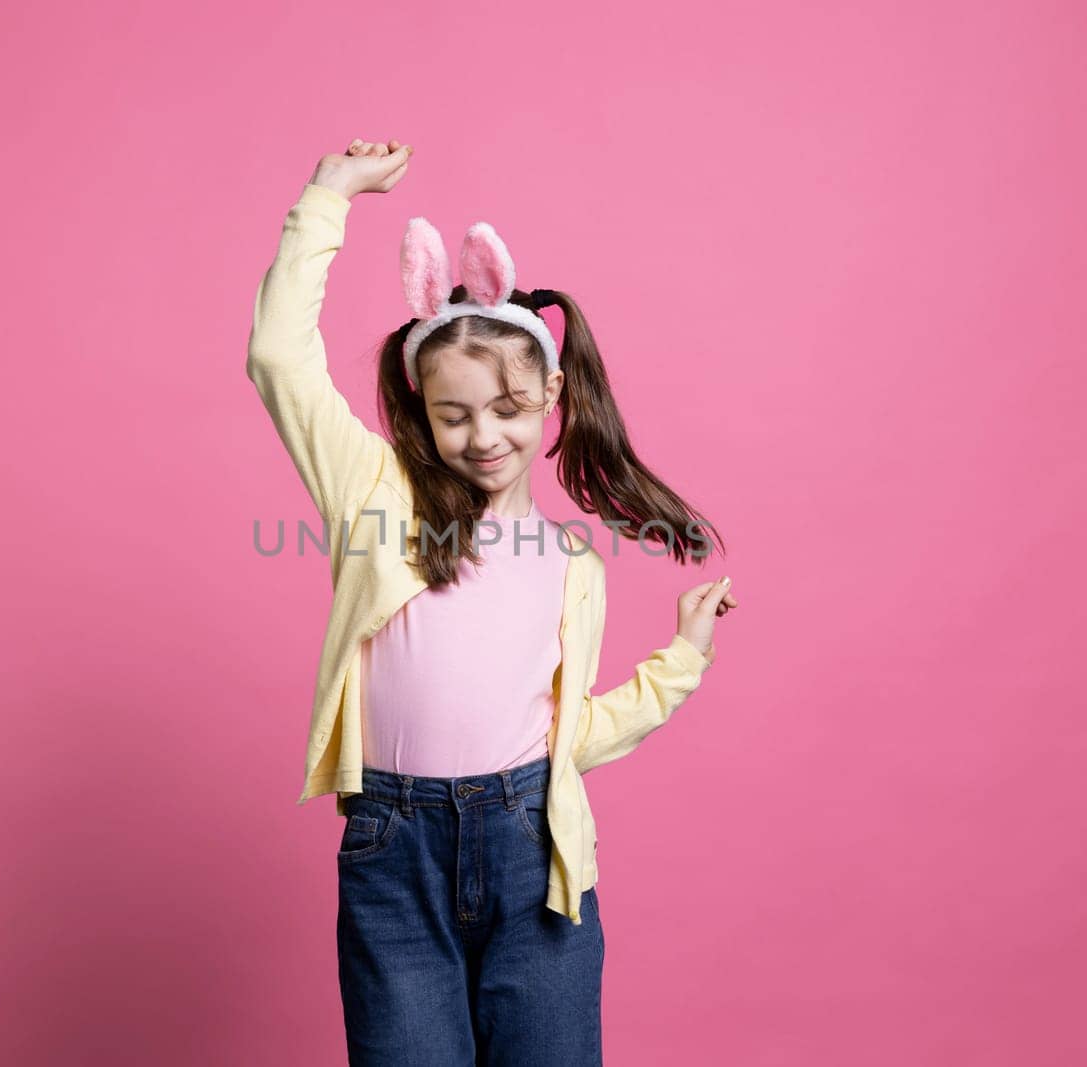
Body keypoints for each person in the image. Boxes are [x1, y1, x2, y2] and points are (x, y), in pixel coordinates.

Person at [246, 137, 739, 1066]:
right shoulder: (376, 500)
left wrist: (683, 660)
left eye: (508, 407)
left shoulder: (569, 566)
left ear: (550, 395)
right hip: (394, 853)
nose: (484, 436)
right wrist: (328, 198)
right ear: (418, 405)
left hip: (533, 858)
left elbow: (567, 738)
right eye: (454, 412)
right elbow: (278, 357)